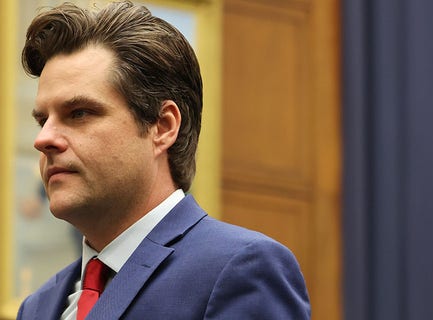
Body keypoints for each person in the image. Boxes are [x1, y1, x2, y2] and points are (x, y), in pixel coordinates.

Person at [17, 1, 310, 319]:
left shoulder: (239, 270)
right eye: (42, 120)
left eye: (79, 113)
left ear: (163, 126)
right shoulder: (38, 307)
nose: (43, 139)